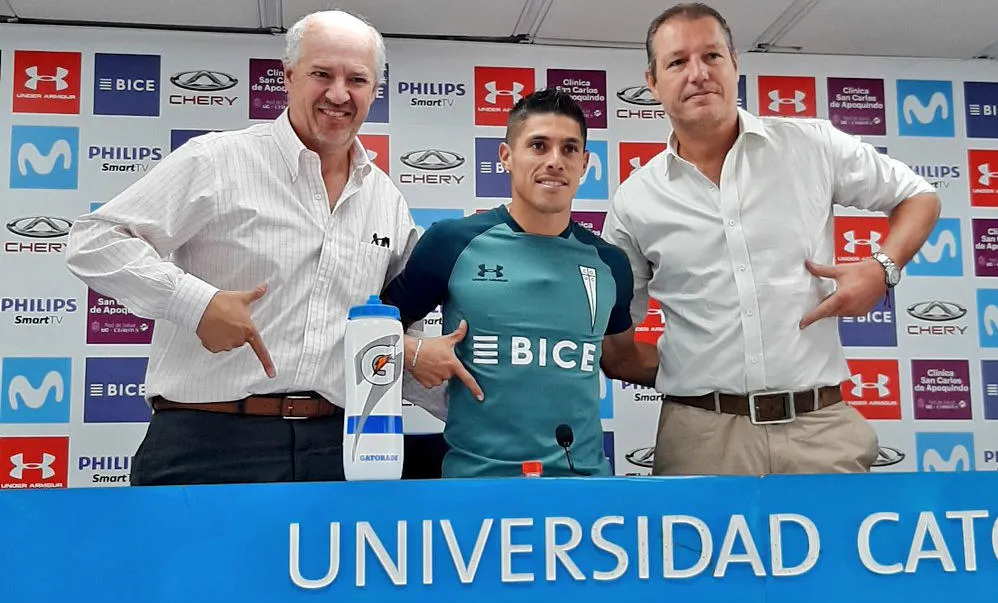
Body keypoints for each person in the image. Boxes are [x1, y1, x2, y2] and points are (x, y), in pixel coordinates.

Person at [64, 10, 424, 485]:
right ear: (289, 76)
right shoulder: (217, 160)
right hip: (209, 443)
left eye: (357, 79)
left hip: (339, 450)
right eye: (322, 74)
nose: (339, 94)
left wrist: (417, 353)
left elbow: (397, 321)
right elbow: (93, 241)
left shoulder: (386, 200)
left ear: (375, 90)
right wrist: (197, 302)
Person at [602, 3, 941, 476]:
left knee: (839, 550)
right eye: (677, 62)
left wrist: (882, 267)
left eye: (712, 56)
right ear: (653, 82)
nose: (698, 73)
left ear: (735, 63)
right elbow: (616, 349)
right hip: (702, 438)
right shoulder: (634, 201)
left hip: (820, 430)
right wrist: (689, 366)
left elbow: (918, 196)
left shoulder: (812, 145)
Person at [382, 89, 658, 478]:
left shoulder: (610, 263)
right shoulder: (452, 242)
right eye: (539, 146)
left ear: (585, 165)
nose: (554, 161)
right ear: (506, 157)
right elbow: (372, 329)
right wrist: (411, 349)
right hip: (475, 485)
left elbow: (622, 358)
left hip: (586, 487)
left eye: (569, 149)